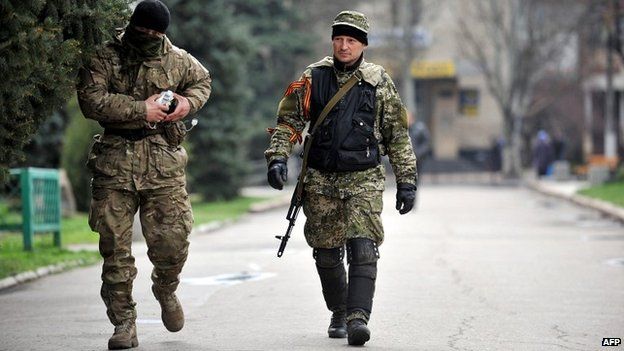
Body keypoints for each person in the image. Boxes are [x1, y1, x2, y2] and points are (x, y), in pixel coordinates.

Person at [265, 11, 417, 346]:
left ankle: (358, 317)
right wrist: (277, 158)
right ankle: (339, 310)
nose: (344, 46)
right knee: (326, 252)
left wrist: (407, 180)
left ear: (363, 44)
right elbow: (289, 121)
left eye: (351, 40)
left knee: (364, 246)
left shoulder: (379, 81)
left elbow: (397, 135)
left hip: (364, 178)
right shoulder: (313, 76)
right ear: (332, 41)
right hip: (320, 180)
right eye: (339, 39)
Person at [76, 1, 211, 349]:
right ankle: (124, 324)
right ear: (133, 26)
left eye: (156, 33)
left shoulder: (178, 59)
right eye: (144, 31)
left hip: (162, 161)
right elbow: (91, 100)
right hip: (114, 163)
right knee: (115, 250)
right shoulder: (106, 56)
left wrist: (187, 104)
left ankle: (166, 288)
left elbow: (202, 81)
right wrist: (141, 109)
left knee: (173, 242)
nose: (149, 37)